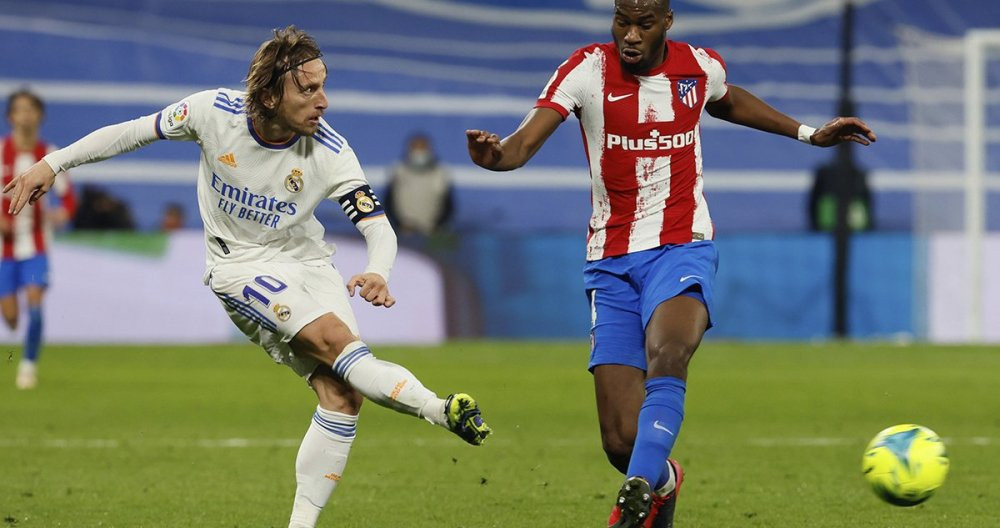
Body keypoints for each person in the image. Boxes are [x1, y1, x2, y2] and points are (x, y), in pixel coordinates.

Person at [6, 26, 491, 528]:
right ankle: (439, 408)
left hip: (308, 262)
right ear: (268, 95)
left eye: (324, 86)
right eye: (308, 89)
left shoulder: (330, 151)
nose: (322, 101)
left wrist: (377, 269)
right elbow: (133, 131)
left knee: (342, 396)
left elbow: (377, 226)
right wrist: (52, 164)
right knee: (336, 343)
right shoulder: (213, 112)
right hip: (238, 267)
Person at [465, 1, 876, 527]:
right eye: (622, 21)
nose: (630, 35)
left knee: (669, 350)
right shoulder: (587, 69)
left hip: (683, 245)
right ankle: (660, 480)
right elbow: (524, 142)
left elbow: (725, 100)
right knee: (621, 440)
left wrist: (807, 133)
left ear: (667, 23)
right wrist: (495, 157)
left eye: (644, 23)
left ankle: (635, 491)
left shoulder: (697, 66)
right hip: (611, 260)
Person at [1, 89, 76, 390]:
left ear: (40, 116)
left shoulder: (49, 154)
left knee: (35, 303)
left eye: (31, 109)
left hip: (36, 248)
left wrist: (62, 215)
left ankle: (28, 365)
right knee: (11, 319)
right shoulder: (1, 151)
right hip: (5, 251)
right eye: (20, 110)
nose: (26, 115)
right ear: (10, 117)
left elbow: (68, 199)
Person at [384, 133, 454, 237]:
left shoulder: (441, 173)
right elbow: (388, 202)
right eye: (416, 148)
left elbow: (448, 205)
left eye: (422, 148)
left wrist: (436, 225)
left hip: (432, 233)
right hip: (403, 233)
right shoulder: (398, 171)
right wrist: (399, 224)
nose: (419, 152)